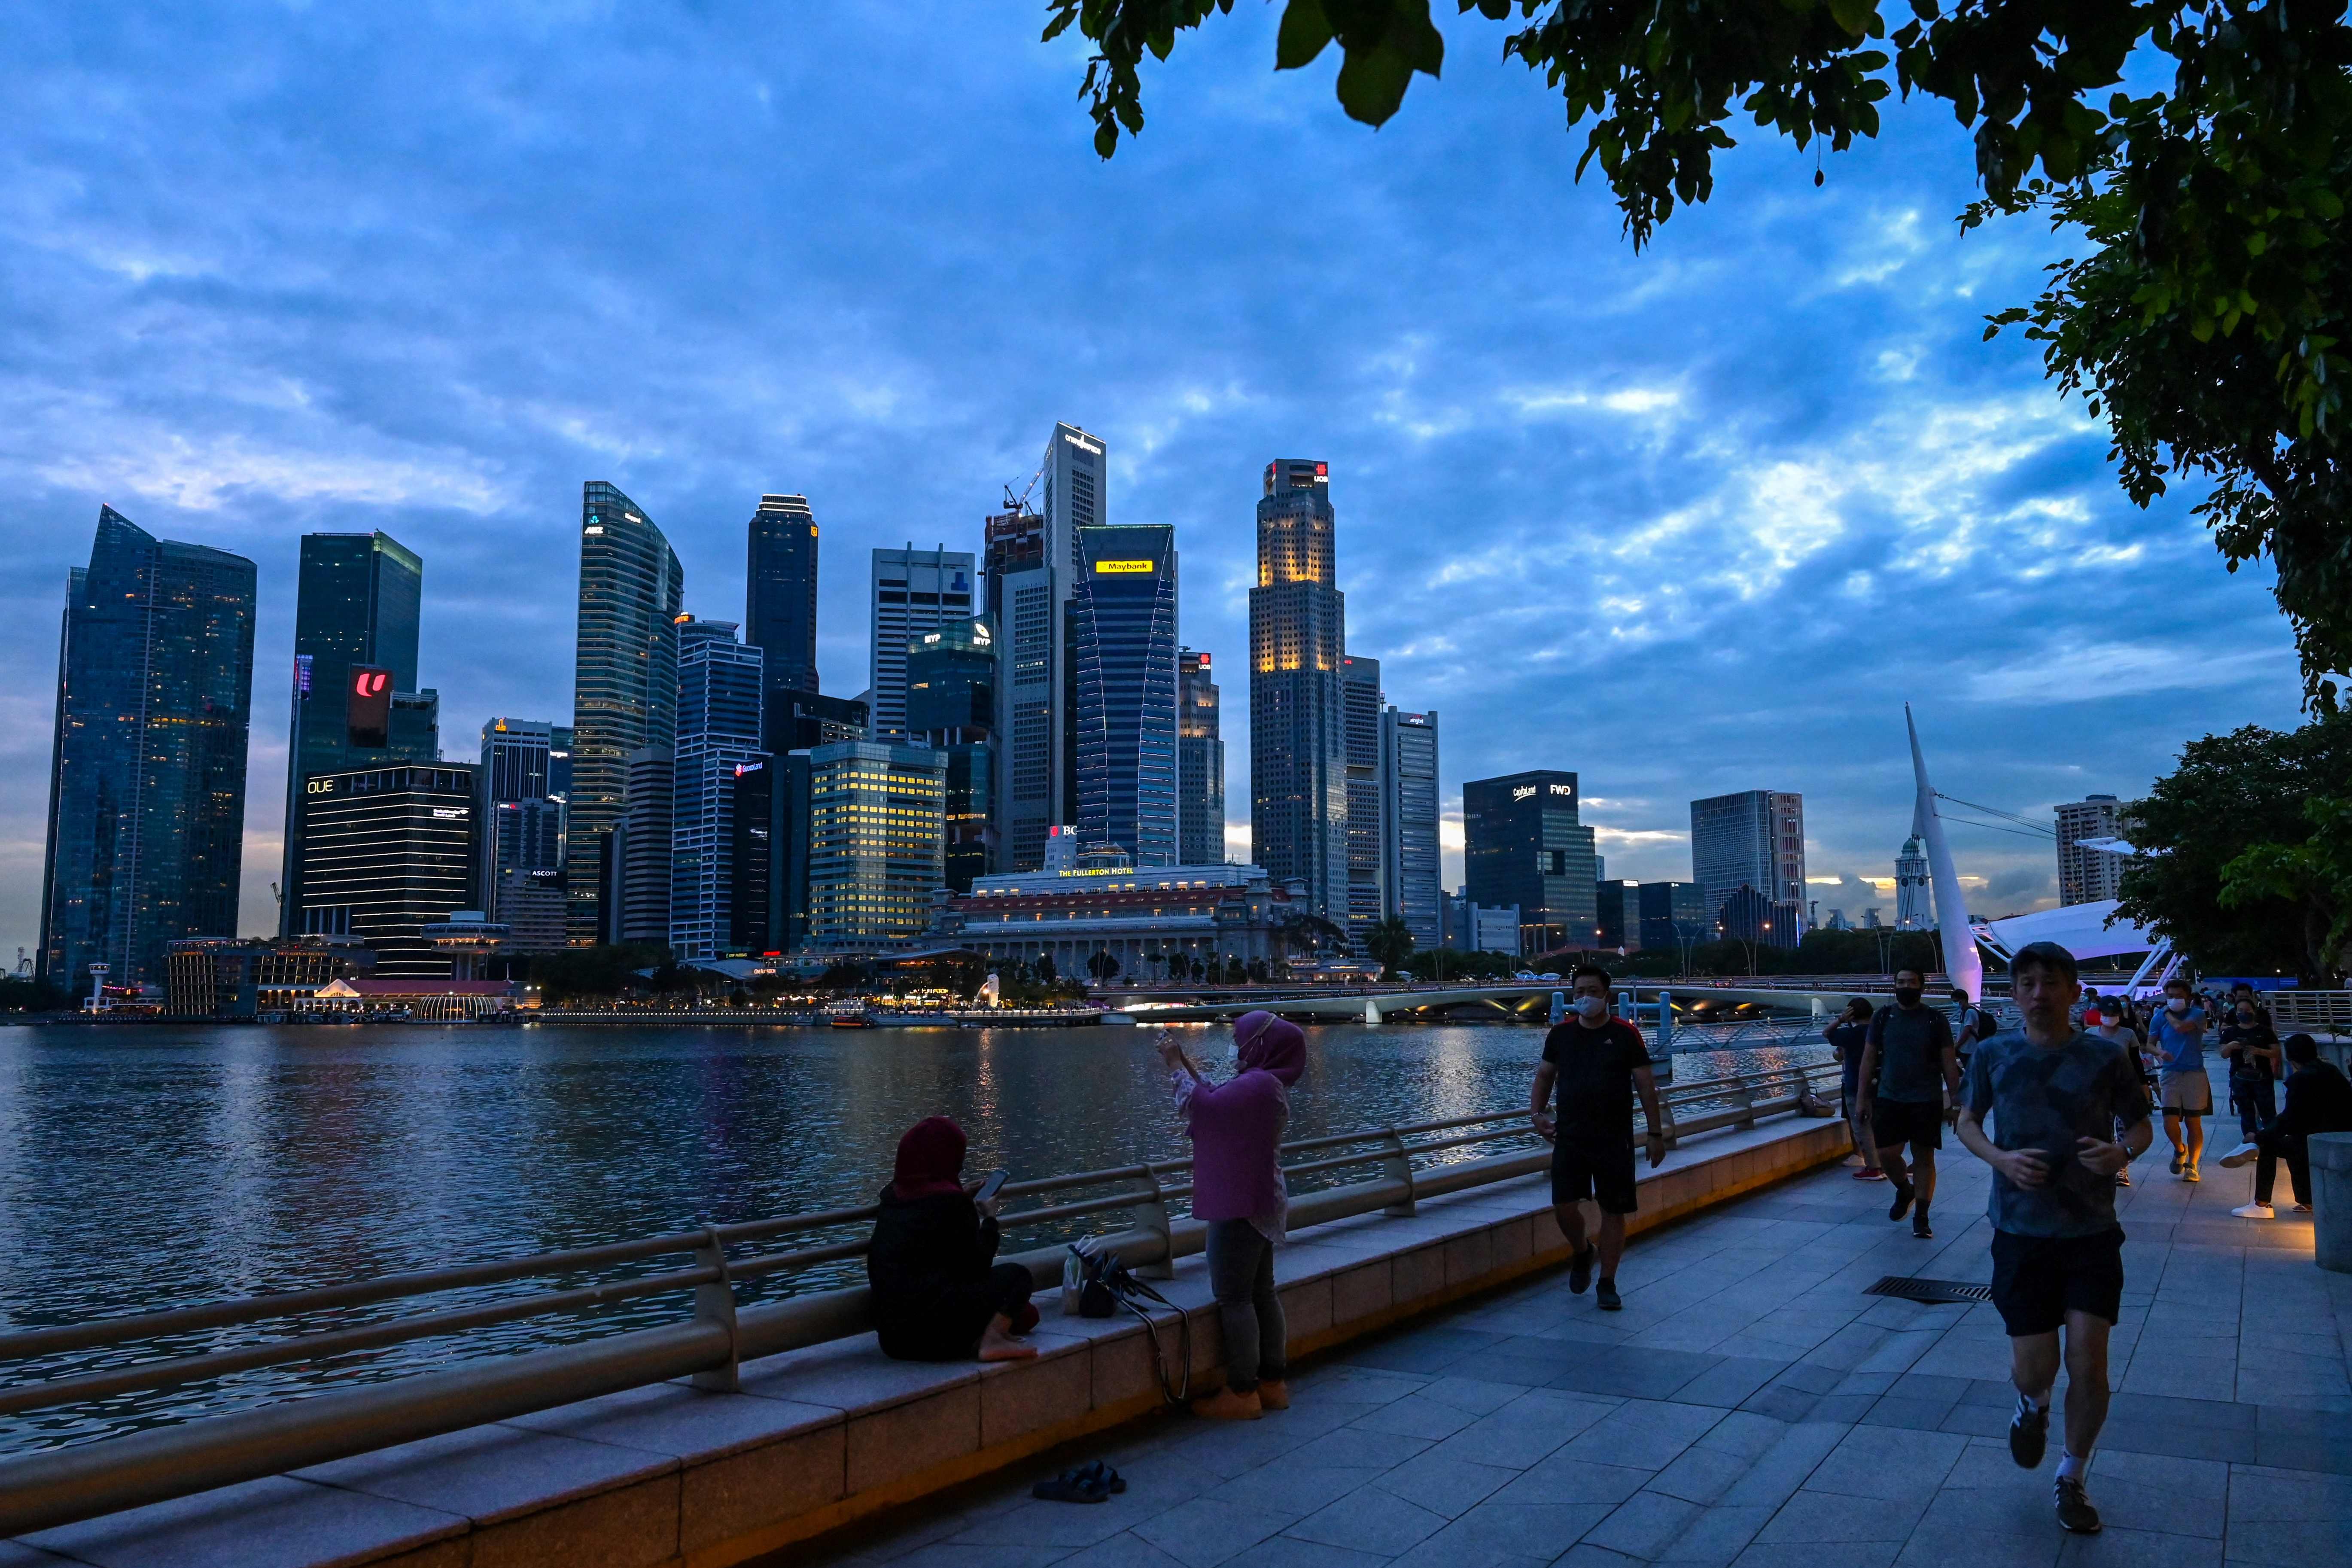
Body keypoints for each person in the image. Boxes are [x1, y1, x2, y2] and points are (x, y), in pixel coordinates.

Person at [1955, 940, 2152, 1537]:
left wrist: (2121, 1151)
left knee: (2088, 1360)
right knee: (2033, 1367)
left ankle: (2071, 1475)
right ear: (2013, 993)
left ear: (2073, 991)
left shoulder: (2106, 1055)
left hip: (2091, 1230)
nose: (2038, 993)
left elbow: (2141, 1123)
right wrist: (2001, 1160)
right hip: (2019, 1231)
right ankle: (2032, 1405)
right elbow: (1965, 1120)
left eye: (2050, 982)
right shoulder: (1992, 1052)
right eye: (2027, 983)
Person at [1159, 1009, 1307, 1420]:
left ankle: (1243, 1392)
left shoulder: (1258, 1083)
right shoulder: (1267, 1083)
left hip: (1240, 1198)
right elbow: (1215, 1099)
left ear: (1261, 1044)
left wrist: (1173, 1064)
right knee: (1262, 1290)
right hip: (1262, 1193)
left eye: (1242, 1039)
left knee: (1234, 1296)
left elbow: (1203, 1109)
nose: (1237, 1046)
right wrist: (1187, 1064)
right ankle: (1273, 1383)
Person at [1531, 965, 1666, 1312]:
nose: (1585, 998)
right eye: (1578, 992)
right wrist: (1537, 1114)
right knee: (1563, 1206)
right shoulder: (1560, 1035)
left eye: (1592, 991)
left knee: (1613, 1209)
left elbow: (1646, 1087)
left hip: (1613, 1138)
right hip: (1570, 1135)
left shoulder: (1625, 1034)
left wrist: (1655, 1134)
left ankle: (1607, 1281)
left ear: (1606, 995)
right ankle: (1582, 1251)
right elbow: (1545, 1075)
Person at [866, 1117, 1038, 1364]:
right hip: (938, 1338)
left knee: (1025, 1313)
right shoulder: (951, 1205)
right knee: (1018, 1277)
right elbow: (976, 1268)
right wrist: (989, 1220)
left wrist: (959, 1196)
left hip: (894, 1342)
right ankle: (994, 1340)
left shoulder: (893, 1201)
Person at [1856, 967, 1963, 1238]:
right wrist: (1862, 1099)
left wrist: (1957, 1103)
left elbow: (1948, 1063)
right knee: (1888, 1154)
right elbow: (1868, 1060)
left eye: (1912, 982)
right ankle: (1905, 1189)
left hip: (1926, 1099)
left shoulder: (1935, 1020)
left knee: (1924, 1157)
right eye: (1901, 982)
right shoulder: (1883, 1017)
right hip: (1890, 1098)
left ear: (1922, 987)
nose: (1906, 986)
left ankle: (1922, 1216)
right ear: (1894, 986)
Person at [2218, 1033, 2352, 1218]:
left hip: (2318, 1142)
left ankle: (2261, 1204)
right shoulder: (2331, 1071)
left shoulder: (2301, 1079)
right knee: (2292, 1143)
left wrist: (2259, 1136)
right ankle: (2307, 1200)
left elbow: (2290, 1118)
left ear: (2290, 1058)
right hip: (2339, 1137)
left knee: (2271, 1145)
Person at [2151, 977, 2212, 1180]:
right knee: (2169, 1120)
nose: (2174, 1000)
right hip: (2170, 1072)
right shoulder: (2159, 1017)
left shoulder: (2198, 1014)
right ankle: (2180, 1149)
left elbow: (2181, 1028)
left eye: (2179, 996)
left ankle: (2192, 1165)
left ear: (2187, 996)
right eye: (2171, 996)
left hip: (2194, 1073)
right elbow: (2150, 1043)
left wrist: (2167, 1012)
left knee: (2194, 1121)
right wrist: (2160, 1053)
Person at [2084, 997, 2148, 1187]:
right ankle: (2104, 1166)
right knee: (2103, 1130)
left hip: (2123, 1091)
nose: (2109, 1018)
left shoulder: (2128, 1035)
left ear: (2119, 1015)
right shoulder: (2090, 1034)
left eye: (2113, 1015)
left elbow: (2137, 1065)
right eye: (2105, 1014)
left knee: (2124, 1131)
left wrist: (2144, 1089)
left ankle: (2122, 1168)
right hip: (2098, 1091)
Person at [1824, 998, 1885, 1181]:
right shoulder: (1880, 1031)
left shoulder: (1849, 1035)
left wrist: (1841, 1020)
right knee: (1878, 1126)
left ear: (1851, 1014)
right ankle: (1886, 1163)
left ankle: (1874, 1168)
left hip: (1854, 1086)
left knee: (1862, 1127)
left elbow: (1827, 1033)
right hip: (1881, 1085)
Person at [2216, 995, 2282, 1156]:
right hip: (2240, 1078)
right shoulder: (2231, 1032)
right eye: (2240, 1011)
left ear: (2254, 1012)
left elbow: (2276, 1052)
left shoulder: (2264, 1032)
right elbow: (2223, 1054)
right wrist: (2231, 1046)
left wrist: (2258, 1051)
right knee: (2246, 1112)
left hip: (2262, 1077)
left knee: (2267, 1111)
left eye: (2247, 1010)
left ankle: (2271, 1141)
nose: (2244, 1013)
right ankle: (2250, 1143)